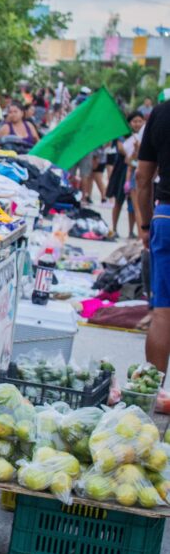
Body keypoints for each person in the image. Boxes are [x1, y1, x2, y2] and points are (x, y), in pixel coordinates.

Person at [136, 99, 170, 373]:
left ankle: (153, 394)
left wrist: (145, 224)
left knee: (163, 313)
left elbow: (142, 177)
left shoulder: (162, 112)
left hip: (166, 217)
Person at [107, 111, 145, 239]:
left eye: (140, 121)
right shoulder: (123, 136)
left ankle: (131, 231)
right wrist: (135, 149)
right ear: (129, 123)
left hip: (136, 170)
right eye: (135, 121)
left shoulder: (144, 136)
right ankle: (114, 228)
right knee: (119, 200)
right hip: (122, 171)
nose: (137, 124)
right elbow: (122, 150)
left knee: (133, 206)